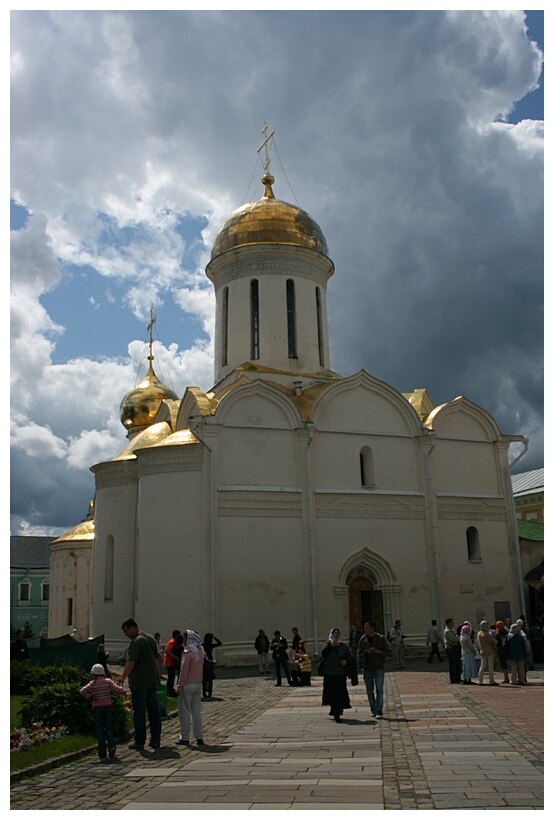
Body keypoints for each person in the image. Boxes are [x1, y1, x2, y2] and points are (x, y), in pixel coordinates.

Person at [119, 618, 162, 751]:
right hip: (151, 681)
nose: (126, 634)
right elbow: (156, 657)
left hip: (140, 682)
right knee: (154, 712)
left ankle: (139, 740)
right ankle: (155, 739)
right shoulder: (150, 638)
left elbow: (131, 661)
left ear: (133, 628)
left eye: (127, 631)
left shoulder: (137, 642)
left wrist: (122, 678)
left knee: (139, 713)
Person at [80, 663, 126, 762]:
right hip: (108, 707)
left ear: (93, 674)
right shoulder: (108, 681)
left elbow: (82, 691)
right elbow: (118, 690)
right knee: (109, 728)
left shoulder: (92, 684)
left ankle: (102, 755)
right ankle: (112, 746)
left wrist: (90, 696)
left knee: (100, 731)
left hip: (97, 708)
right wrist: (121, 686)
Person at [176, 629, 206, 746]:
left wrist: (179, 685)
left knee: (184, 712)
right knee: (196, 712)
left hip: (187, 685)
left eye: (185, 639)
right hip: (198, 684)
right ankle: (199, 736)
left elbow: (184, 671)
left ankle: (185, 736)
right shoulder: (200, 651)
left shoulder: (188, 652)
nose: (183, 641)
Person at [320, 627, 353, 722]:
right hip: (329, 673)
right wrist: (331, 645)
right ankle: (334, 710)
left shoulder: (343, 646)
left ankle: (337, 712)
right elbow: (323, 654)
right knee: (331, 693)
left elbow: (349, 657)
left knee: (339, 694)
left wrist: (346, 661)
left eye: (337, 633)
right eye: (334, 633)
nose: (336, 635)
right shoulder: (327, 645)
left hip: (340, 674)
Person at [358, 621, 389, 719]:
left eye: (366, 627)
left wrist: (378, 652)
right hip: (367, 668)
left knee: (379, 689)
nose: (364, 629)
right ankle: (373, 709)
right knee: (369, 690)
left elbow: (388, 652)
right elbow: (359, 654)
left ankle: (379, 711)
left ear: (372, 629)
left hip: (379, 667)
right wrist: (366, 652)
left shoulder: (381, 639)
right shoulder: (363, 640)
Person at [477, 620, 499, 686]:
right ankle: (491, 680)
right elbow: (495, 642)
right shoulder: (487, 635)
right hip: (489, 652)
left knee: (482, 667)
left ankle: (480, 680)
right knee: (490, 666)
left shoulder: (479, 633)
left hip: (482, 651)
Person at [202, 633, 222, 699]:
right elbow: (219, 643)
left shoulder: (203, 645)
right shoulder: (210, 645)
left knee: (204, 677)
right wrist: (214, 638)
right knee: (210, 677)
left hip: (204, 662)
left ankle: (204, 692)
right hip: (210, 662)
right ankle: (210, 693)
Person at [164, 630, 181, 697]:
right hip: (169, 662)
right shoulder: (172, 642)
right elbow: (168, 651)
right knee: (171, 677)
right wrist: (175, 657)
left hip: (172, 662)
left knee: (172, 676)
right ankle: (168, 689)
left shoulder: (174, 642)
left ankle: (170, 688)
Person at [444, 618, 461, 683]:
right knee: (453, 665)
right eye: (452, 622)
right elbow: (455, 639)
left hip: (454, 649)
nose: (453, 623)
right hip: (450, 649)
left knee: (457, 664)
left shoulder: (452, 630)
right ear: (449, 623)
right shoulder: (447, 631)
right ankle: (454, 679)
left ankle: (458, 678)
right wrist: (457, 637)